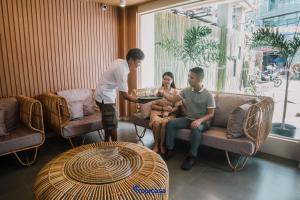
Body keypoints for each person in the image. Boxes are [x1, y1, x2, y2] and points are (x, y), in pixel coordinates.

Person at [159, 67, 216, 170]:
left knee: (196, 129)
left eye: (191, 77)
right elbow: (172, 99)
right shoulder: (186, 91)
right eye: (189, 76)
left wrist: (199, 121)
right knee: (171, 123)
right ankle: (170, 150)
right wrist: (163, 93)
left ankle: (191, 156)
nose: (188, 79)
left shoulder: (208, 95)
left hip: (203, 122)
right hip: (189, 118)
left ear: (199, 79)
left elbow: (211, 114)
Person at [96, 48, 145, 142]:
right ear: (131, 59)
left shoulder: (119, 61)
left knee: (108, 122)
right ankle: (116, 146)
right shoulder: (122, 70)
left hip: (102, 94)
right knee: (113, 123)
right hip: (105, 97)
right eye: (138, 62)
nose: (138, 65)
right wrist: (140, 100)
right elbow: (125, 96)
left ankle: (106, 142)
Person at [149, 72, 180, 154]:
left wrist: (169, 111)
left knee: (164, 123)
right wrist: (163, 108)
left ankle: (162, 145)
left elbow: (177, 106)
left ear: (172, 80)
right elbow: (152, 106)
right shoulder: (159, 91)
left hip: (170, 113)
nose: (166, 81)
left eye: (168, 79)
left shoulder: (176, 92)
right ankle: (156, 145)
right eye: (164, 79)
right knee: (156, 123)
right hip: (157, 112)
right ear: (162, 80)